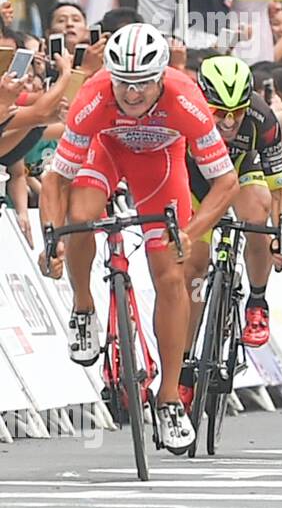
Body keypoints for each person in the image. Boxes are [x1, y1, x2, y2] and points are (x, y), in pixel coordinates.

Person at [38, 23, 239, 453]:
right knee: (81, 217)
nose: (131, 94)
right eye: (124, 84)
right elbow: (56, 180)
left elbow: (227, 183)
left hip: (161, 167)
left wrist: (190, 232)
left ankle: (168, 397)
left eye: (143, 84)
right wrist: (51, 235)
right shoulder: (94, 96)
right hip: (106, 153)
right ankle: (83, 307)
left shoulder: (186, 99)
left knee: (170, 277)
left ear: (162, 76)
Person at [181, 56, 282, 380]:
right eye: (220, 113)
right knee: (196, 268)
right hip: (195, 182)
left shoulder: (263, 118)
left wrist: (280, 235)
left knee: (257, 218)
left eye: (237, 112)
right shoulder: (184, 110)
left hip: (240, 170)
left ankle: (257, 301)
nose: (229, 122)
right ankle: (184, 364)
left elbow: (280, 191)